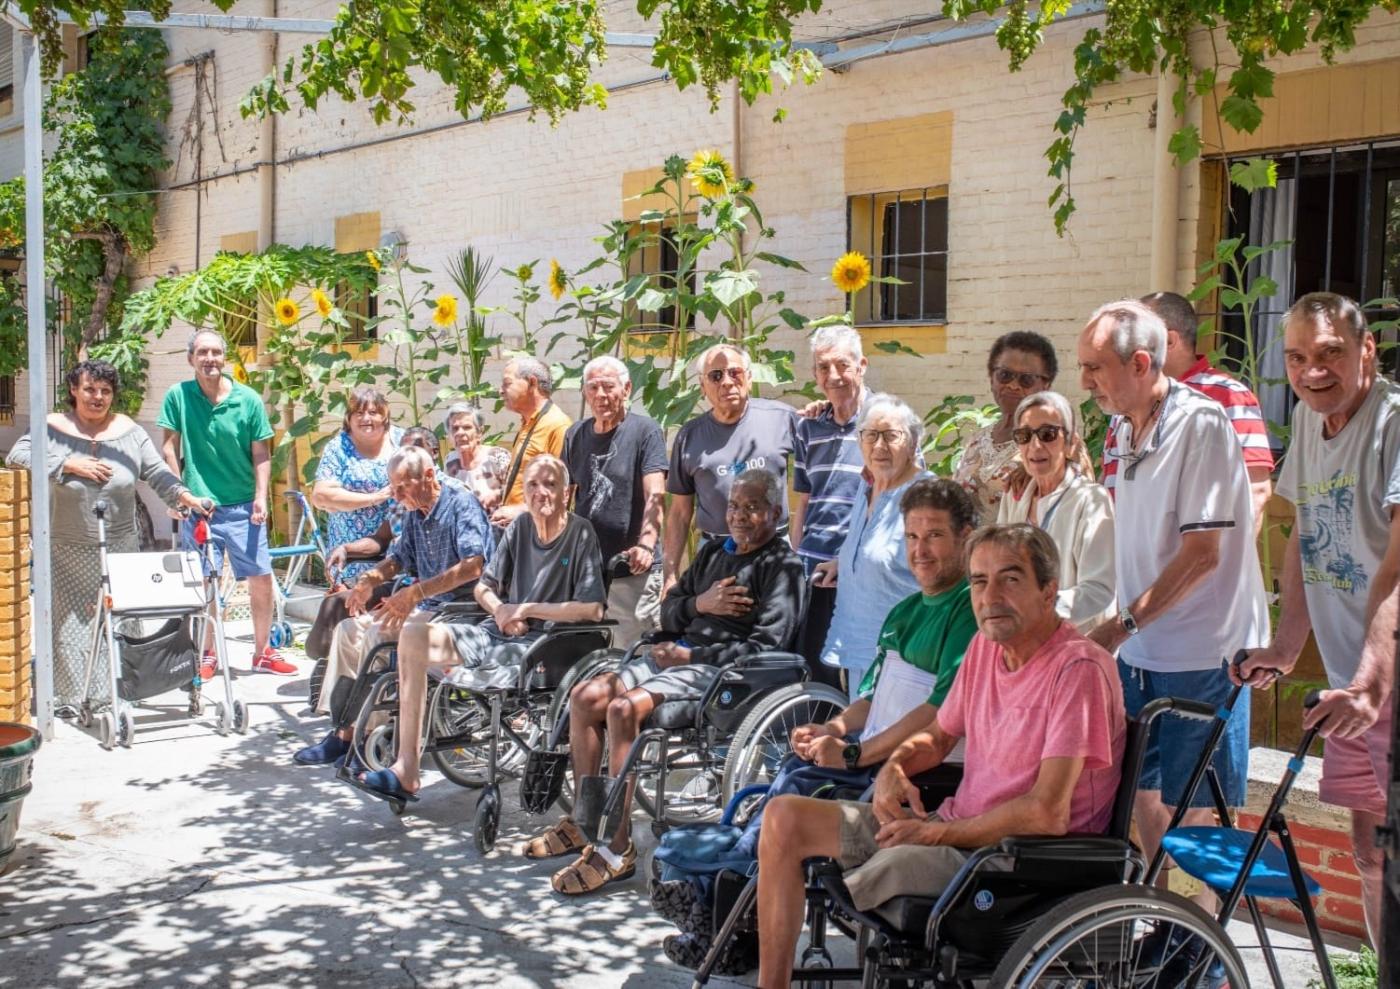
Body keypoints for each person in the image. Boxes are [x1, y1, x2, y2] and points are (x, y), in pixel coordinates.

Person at [755, 524, 1125, 988]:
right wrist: (894, 767)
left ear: (1048, 591)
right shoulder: (984, 650)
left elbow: (1046, 813)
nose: (990, 597)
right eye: (978, 581)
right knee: (783, 818)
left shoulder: (1078, 669)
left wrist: (935, 835)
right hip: (957, 832)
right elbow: (938, 735)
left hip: (1018, 859)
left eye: (1010, 579)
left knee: (884, 864)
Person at [523, 469, 807, 895]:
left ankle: (617, 850)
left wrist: (691, 654)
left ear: (775, 512)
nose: (740, 516)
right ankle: (587, 823)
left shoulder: (781, 568)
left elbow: (767, 650)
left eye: (752, 507)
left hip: (718, 672)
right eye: (733, 506)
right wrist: (701, 603)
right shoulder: (714, 553)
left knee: (622, 708)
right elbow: (670, 609)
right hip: (675, 655)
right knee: (586, 696)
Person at [1078, 299, 1268, 900]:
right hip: (1142, 648)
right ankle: (1166, 921)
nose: (1084, 381)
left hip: (1202, 651)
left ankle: (1202, 956)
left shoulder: (1201, 424)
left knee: (1196, 808)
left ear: (1140, 362)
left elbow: (1203, 554)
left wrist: (1120, 624)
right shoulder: (1121, 422)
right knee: (1143, 790)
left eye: (1094, 367)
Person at [1235, 292, 1399, 948]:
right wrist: (1284, 643)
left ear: (1367, 350)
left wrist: (1370, 680)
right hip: (1351, 683)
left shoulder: (1391, 422)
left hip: (1381, 679)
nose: (1311, 371)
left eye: (1329, 353)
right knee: (1367, 852)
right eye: (1297, 357)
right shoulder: (1310, 419)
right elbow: (1306, 532)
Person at [739, 477, 980, 855]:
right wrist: (830, 729)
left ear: (965, 537)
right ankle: (734, 871)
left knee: (802, 791)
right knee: (792, 769)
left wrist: (852, 755)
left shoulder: (968, 611)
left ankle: (733, 873)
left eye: (934, 536)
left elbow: (940, 712)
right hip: (873, 757)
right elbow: (871, 697)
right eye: (912, 537)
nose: (920, 550)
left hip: (919, 772)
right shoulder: (904, 611)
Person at [357, 455, 607, 802]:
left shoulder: (580, 533)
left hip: (548, 645)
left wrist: (524, 609)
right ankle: (407, 767)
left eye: (550, 485)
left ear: (567, 493)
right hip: (498, 633)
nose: (540, 493)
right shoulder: (518, 529)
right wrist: (500, 610)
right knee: (413, 637)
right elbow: (484, 586)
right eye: (532, 485)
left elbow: (592, 608)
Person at [5, 359, 206, 713]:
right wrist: (67, 464)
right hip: (66, 546)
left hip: (119, 545)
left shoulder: (128, 431)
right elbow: (19, 454)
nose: (97, 397)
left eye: (105, 391)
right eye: (89, 389)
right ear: (73, 390)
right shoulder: (52, 427)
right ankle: (68, 698)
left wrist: (185, 495)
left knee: (118, 620)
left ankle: (114, 694)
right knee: (70, 626)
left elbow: (156, 471)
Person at [293, 446, 492, 766]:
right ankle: (343, 732)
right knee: (347, 630)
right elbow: (399, 558)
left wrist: (414, 594)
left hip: (461, 609)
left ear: (428, 476)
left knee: (377, 635)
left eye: (403, 487)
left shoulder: (459, 502)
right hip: (430, 606)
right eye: (393, 487)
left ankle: (370, 737)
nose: (396, 496)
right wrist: (369, 579)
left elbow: (473, 566)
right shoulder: (417, 510)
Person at [157, 330, 294, 675]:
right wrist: (178, 493)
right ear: (191, 359)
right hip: (201, 507)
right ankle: (207, 652)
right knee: (205, 581)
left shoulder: (247, 399)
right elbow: (169, 447)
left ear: (225, 358)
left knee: (261, 577)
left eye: (216, 352)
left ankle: (262, 651)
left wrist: (261, 498)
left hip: (244, 505)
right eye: (202, 352)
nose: (210, 359)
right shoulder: (179, 396)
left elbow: (261, 452)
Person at [1100, 291, 1275, 536]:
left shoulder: (1228, 395)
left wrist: (1218, 568)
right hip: (1126, 565)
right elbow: (1110, 489)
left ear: (1169, 341)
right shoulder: (1126, 403)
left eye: (1132, 340)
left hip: (1194, 566)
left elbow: (1255, 491)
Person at [814, 396, 934, 694]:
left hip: (904, 658)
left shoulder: (925, 497)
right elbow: (874, 548)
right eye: (871, 435)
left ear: (912, 442)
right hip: (860, 645)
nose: (879, 446)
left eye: (891, 435)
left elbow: (943, 577)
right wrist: (843, 562)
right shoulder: (869, 487)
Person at [662, 343, 798, 593]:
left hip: (773, 551)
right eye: (716, 376)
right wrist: (669, 575)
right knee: (713, 627)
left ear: (749, 377)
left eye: (735, 372)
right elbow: (680, 513)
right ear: (703, 387)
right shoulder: (689, 436)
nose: (726, 382)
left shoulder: (783, 418)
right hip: (714, 555)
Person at [562, 355, 668, 646]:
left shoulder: (645, 431)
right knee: (589, 654)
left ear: (627, 389)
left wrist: (646, 543)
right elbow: (563, 498)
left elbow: (655, 494)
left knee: (632, 655)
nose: (601, 395)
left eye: (608, 387)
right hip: (587, 572)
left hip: (632, 571)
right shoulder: (575, 435)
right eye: (593, 388)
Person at [790, 327, 872, 688]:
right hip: (812, 568)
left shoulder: (885, 421)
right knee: (814, 669)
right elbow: (804, 499)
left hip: (858, 569)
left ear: (862, 365)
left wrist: (851, 560)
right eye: (824, 367)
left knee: (859, 672)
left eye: (843, 365)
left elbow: (901, 501)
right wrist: (793, 558)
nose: (833, 376)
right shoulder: (809, 427)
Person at [996, 390, 1116, 631]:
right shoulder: (1015, 495)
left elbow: (1099, 589)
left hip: (1075, 646)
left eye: (1048, 434)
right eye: (1024, 435)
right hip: (1023, 641)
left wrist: (1038, 611)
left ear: (1071, 444)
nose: (1035, 445)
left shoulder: (1090, 500)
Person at [953, 330, 1057, 523]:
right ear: (991, 377)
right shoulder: (977, 440)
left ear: (1046, 385)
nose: (1013, 385)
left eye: (1026, 379)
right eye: (1004, 375)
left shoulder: (1055, 442)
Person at [310, 386, 400, 587]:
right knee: (348, 607)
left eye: (373, 412)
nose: (366, 418)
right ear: (349, 418)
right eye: (359, 413)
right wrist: (375, 498)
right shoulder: (338, 447)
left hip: (396, 547)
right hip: (349, 551)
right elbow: (321, 496)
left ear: (385, 416)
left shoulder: (402, 440)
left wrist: (344, 499)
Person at [490, 357, 572, 527]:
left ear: (532, 383)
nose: (501, 391)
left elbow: (564, 491)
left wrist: (521, 510)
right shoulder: (528, 422)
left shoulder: (557, 425)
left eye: (507, 383)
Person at [443, 403, 509, 511]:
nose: (460, 433)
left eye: (467, 427)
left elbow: (517, 490)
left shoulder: (497, 457)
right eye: (455, 428)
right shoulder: (450, 461)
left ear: (479, 432)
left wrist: (497, 495)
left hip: (497, 523)